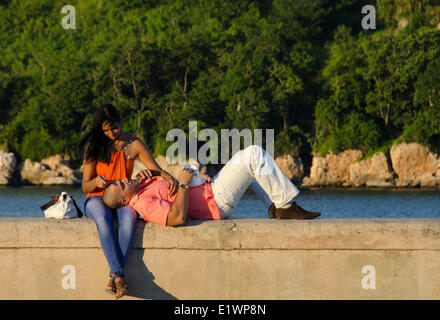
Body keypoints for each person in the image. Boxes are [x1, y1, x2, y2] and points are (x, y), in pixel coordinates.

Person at [78, 103, 178, 299]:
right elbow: (85, 186)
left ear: (121, 121)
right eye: (106, 130)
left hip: (125, 198)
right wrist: (96, 181)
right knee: (104, 221)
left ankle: (114, 276)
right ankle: (118, 275)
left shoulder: (134, 144)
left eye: (114, 128)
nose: (111, 133)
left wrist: (169, 177)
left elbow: (155, 167)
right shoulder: (95, 146)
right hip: (97, 197)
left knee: (129, 221)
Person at [102, 145, 321, 227]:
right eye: (122, 184)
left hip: (210, 190)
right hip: (215, 202)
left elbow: (170, 185)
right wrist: (184, 186)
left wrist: (158, 174)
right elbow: (176, 218)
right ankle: (286, 206)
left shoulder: (141, 187)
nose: (126, 179)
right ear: (123, 200)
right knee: (253, 155)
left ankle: (275, 206)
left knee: (251, 172)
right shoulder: (143, 203)